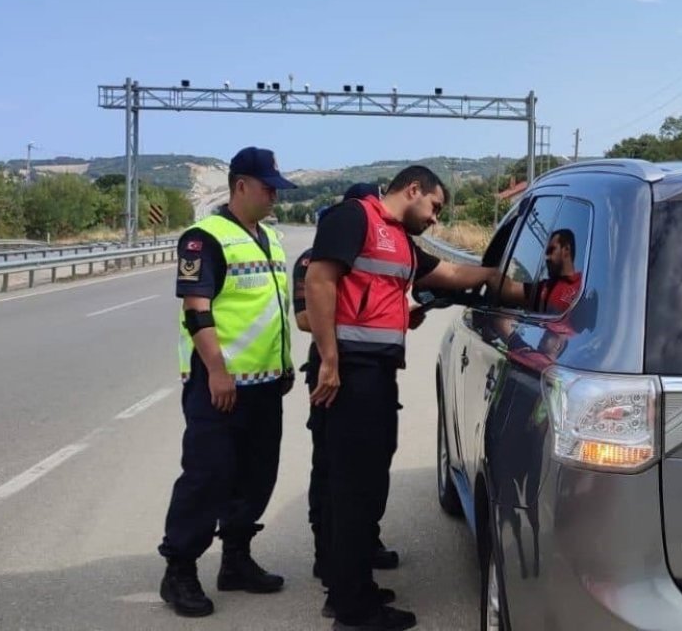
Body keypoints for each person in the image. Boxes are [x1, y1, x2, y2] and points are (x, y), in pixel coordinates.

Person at [305, 165, 501, 631]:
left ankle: (350, 588)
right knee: (353, 488)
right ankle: (353, 611)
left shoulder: (396, 237)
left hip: (370, 375)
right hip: (349, 374)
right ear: (412, 190)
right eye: (434, 206)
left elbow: (446, 272)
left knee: (363, 485)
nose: (435, 219)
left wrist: (499, 275)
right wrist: (330, 359)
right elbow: (318, 281)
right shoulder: (354, 218)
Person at [158, 146, 298, 618]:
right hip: (219, 386)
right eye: (267, 187)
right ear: (240, 185)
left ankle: (236, 560)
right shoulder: (204, 238)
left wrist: (283, 366)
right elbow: (197, 311)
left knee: (256, 476)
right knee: (208, 476)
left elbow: (271, 310)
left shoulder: (271, 238)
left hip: (264, 385)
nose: (274, 195)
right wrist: (217, 371)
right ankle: (179, 571)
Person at [292, 183, 407, 589]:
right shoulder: (312, 260)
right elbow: (306, 317)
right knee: (332, 469)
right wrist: (338, 342)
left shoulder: (381, 250)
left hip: (359, 369)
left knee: (365, 472)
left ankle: (359, 547)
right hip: (331, 371)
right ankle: (329, 559)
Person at [498, 228, 583, 313]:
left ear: (566, 250)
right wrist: (489, 275)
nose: (546, 258)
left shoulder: (584, 285)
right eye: (546, 253)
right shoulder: (543, 288)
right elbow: (510, 288)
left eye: (551, 250)